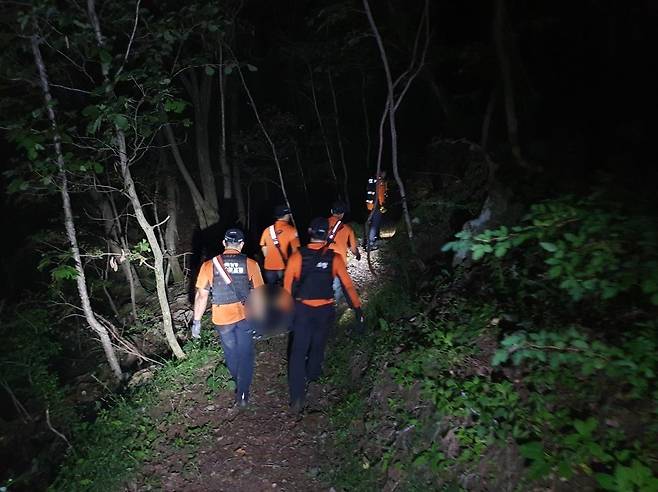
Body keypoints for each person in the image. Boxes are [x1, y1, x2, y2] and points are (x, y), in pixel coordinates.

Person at [283, 217, 363, 414]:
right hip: (324, 311)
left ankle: (297, 397)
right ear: (327, 235)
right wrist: (357, 308)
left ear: (310, 232)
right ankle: (313, 376)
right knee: (318, 345)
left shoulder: (296, 257)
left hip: (302, 310)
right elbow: (347, 285)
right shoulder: (334, 258)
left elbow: (286, 288)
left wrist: (286, 312)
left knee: (298, 352)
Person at [191, 228, 264, 408]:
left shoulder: (209, 265)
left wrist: (197, 322)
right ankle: (243, 393)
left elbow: (201, 295)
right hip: (245, 316)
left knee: (231, 352)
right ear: (241, 244)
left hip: (222, 318)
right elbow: (258, 295)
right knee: (246, 353)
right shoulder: (251, 264)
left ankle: (237, 380)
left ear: (224, 243)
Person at [327, 200, 361, 302]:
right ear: (342, 214)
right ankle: (334, 306)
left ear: (331, 211)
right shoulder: (348, 229)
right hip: (339, 263)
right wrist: (357, 254)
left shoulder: (322, 224)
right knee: (336, 286)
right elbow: (353, 249)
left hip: (322, 259)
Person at [259, 205, 300, 285]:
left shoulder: (267, 230)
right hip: (283, 267)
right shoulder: (292, 230)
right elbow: (295, 252)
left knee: (271, 293)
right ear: (286, 215)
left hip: (269, 267)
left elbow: (264, 250)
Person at [365, 170, 387, 250]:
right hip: (376, 206)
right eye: (384, 173)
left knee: (371, 224)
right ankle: (370, 243)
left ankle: (371, 240)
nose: (385, 174)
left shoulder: (371, 180)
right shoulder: (380, 182)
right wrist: (382, 205)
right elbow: (381, 195)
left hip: (369, 206)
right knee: (375, 224)